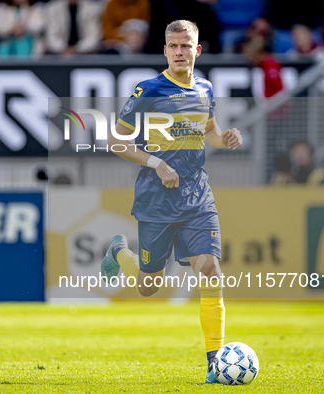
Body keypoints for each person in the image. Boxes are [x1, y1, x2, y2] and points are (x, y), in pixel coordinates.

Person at [100, 20, 243, 384]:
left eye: (186, 46)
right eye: (173, 46)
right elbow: (116, 142)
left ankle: (215, 362)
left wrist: (223, 138)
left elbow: (207, 131)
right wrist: (157, 162)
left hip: (197, 196)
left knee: (210, 271)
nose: (179, 52)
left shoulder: (206, 88)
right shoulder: (148, 90)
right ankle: (119, 251)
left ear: (198, 50)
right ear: (165, 51)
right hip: (156, 201)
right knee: (149, 285)